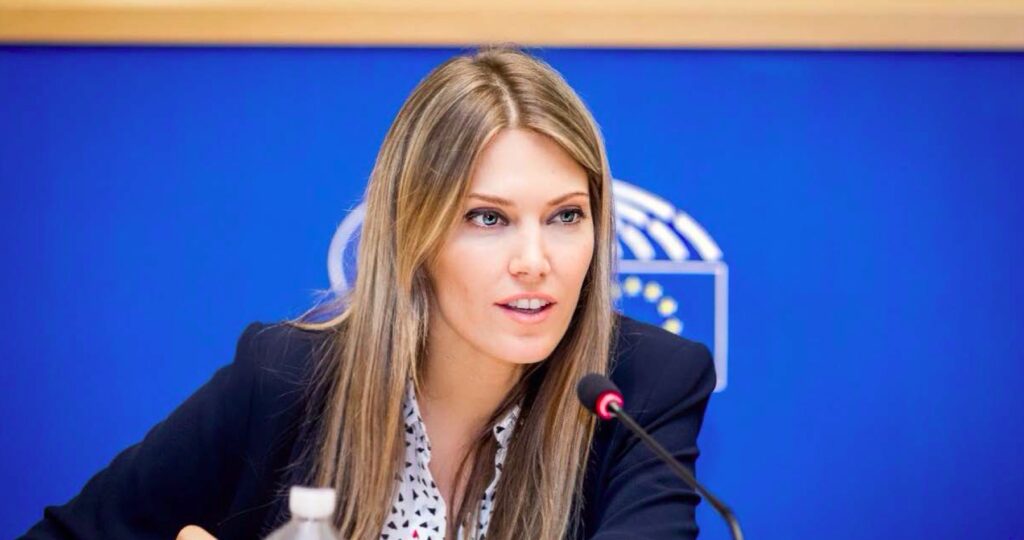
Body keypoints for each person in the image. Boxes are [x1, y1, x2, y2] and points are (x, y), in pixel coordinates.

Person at [21, 46, 716, 540]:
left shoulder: (645, 387)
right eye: (488, 218)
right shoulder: (283, 377)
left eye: (565, 216)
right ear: (415, 234)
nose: (536, 262)